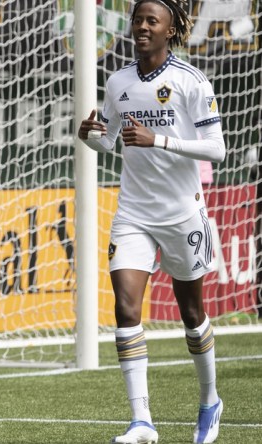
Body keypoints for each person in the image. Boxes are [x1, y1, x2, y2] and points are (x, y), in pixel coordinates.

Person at [78, 1, 226, 443]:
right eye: (137, 20)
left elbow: (217, 150)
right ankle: (142, 420)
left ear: (171, 30)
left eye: (151, 21)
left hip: (182, 213)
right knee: (126, 308)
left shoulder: (191, 82)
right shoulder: (118, 81)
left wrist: (156, 138)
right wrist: (91, 138)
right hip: (134, 214)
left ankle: (209, 401)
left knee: (192, 314)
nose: (141, 27)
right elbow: (111, 142)